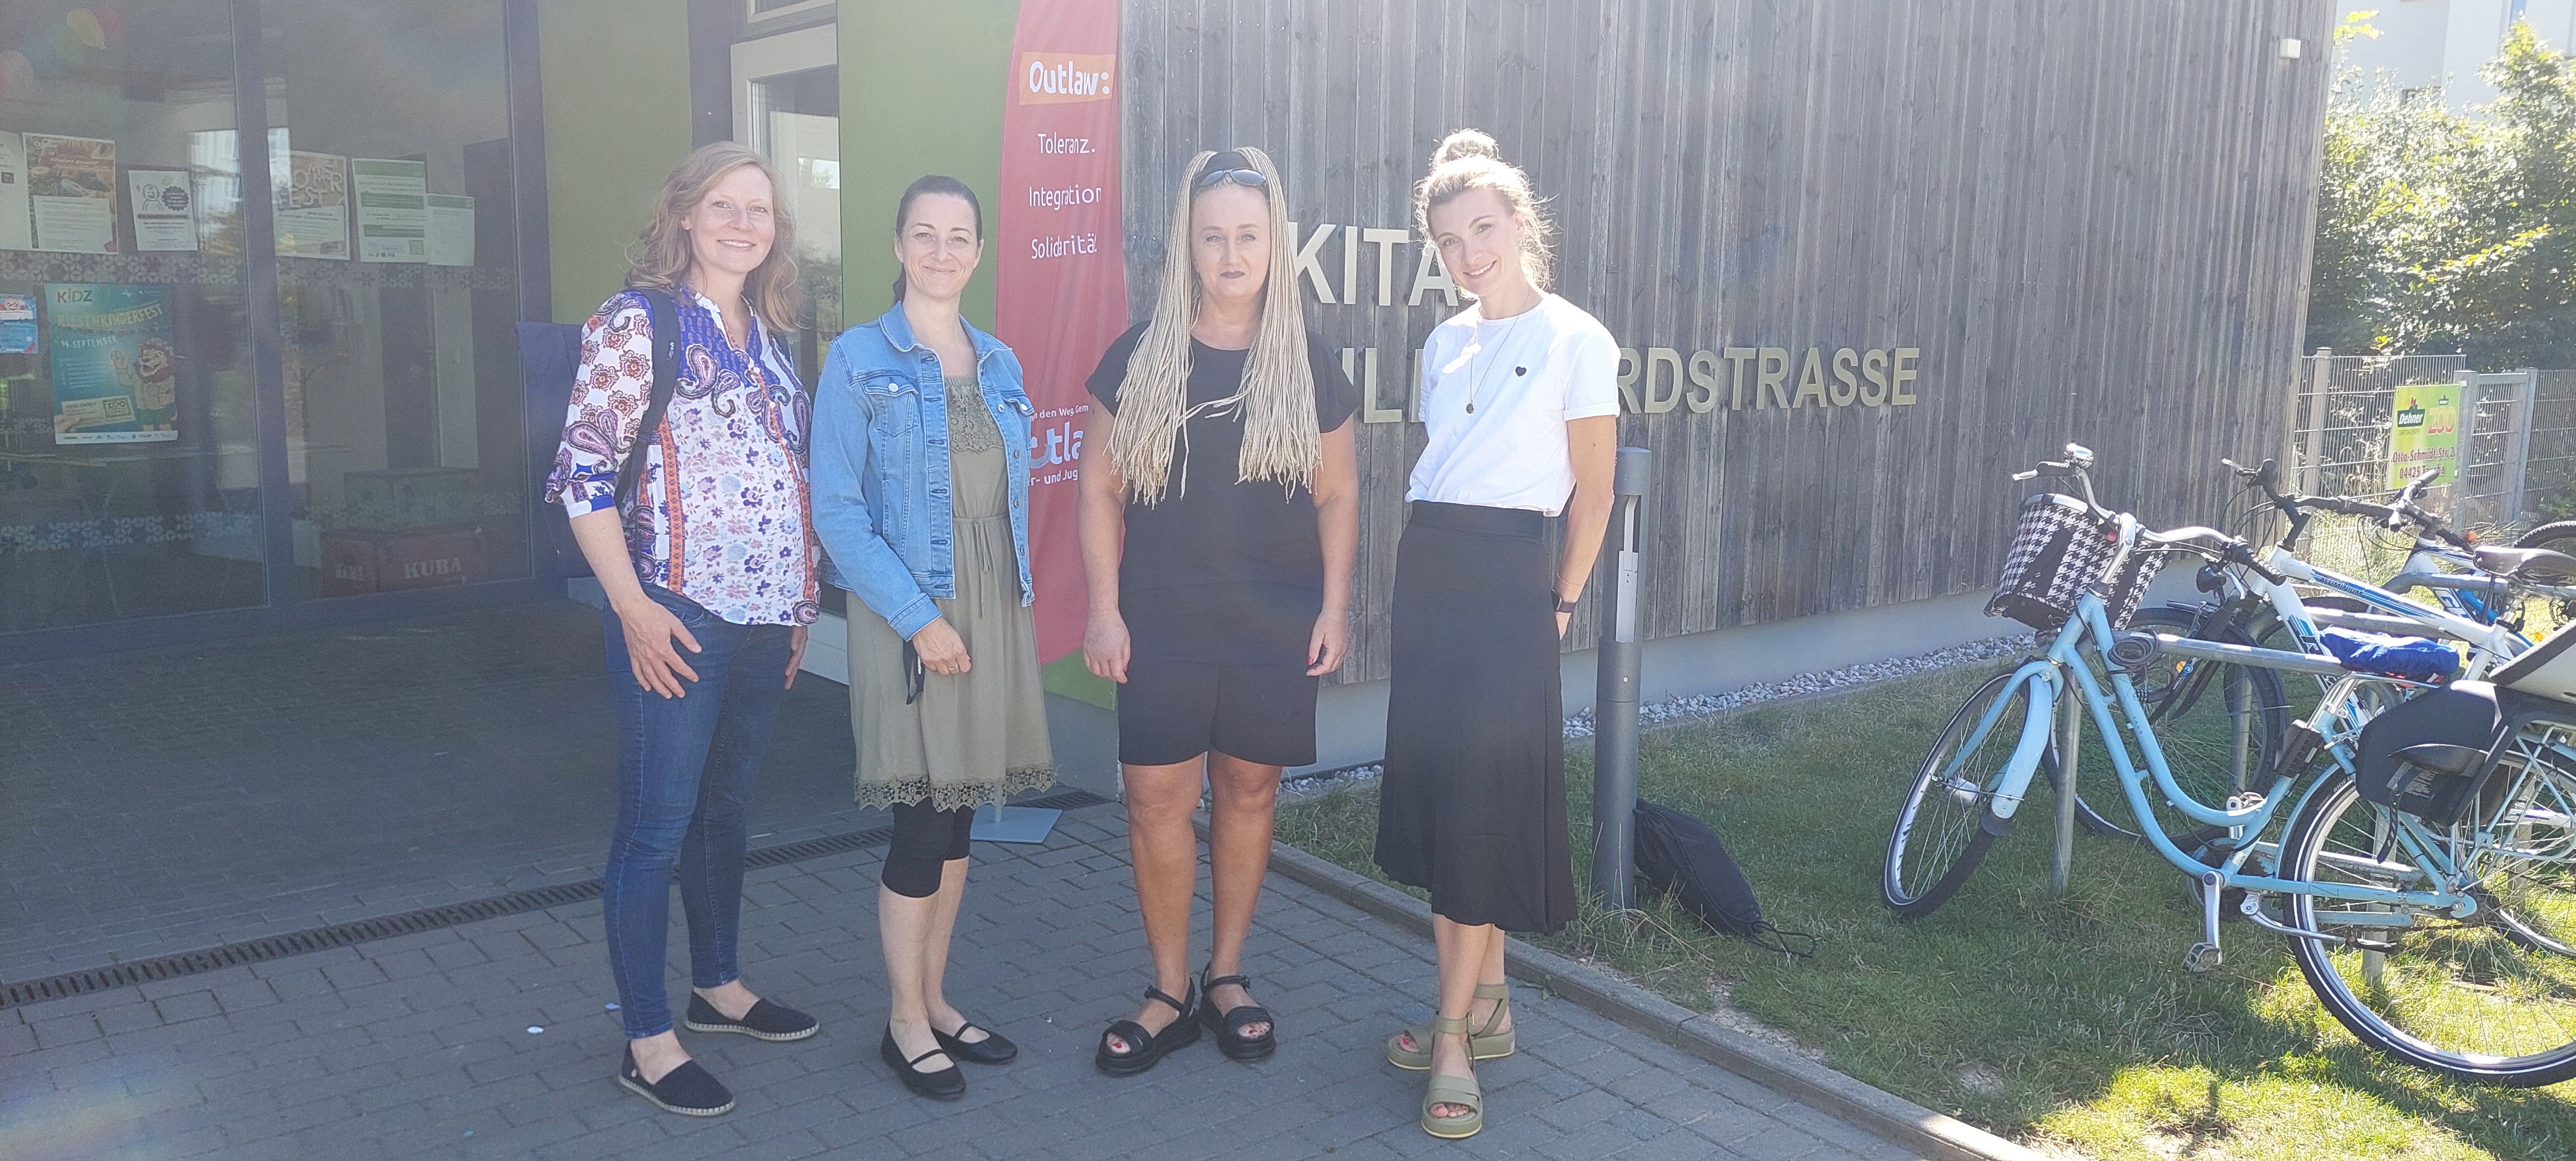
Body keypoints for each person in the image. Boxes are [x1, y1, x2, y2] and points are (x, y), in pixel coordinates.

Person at [544, 142, 822, 1119]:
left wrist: (800, 608)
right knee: (656, 828)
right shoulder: (640, 323)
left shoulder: (771, 335)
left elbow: (790, 476)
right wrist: (632, 608)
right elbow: (580, 477)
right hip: (678, 613)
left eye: (761, 208)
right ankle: (648, 1038)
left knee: (725, 814)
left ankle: (719, 988)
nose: (745, 223)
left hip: (761, 621)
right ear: (685, 217)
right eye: (724, 205)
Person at [1078, 147, 1361, 1076]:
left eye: (1248, 236)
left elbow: (1337, 495)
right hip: (1158, 615)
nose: (1231, 254)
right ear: (1187, 247)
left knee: (1249, 791)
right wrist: (1105, 610)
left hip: (1273, 620)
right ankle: (1168, 990)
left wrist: (1333, 605)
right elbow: (1100, 494)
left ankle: (1227, 974)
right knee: (1155, 800)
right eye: (1214, 238)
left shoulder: (1309, 363)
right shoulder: (1139, 357)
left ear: (1274, 243)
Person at [1373, 129, 1618, 1139]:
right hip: (1430, 573)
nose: (1470, 253)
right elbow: (1445, 466)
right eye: (1449, 240)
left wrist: (1555, 603)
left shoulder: (1577, 339)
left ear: (1519, 223)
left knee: (1479, 806)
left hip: (1511, 583)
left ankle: (1450, 1035)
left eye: (1483, 229)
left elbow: (1594, 496)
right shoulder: (1442, 341)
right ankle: (1492, 1003)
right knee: (1446, 798)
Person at [810, 175, 1055, 1102]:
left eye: (959, 236)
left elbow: (1004, 505)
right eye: (925, 233)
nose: (942, 251)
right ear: (899, 244)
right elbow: (836, 510)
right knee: (922, 821)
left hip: (992, 608)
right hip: (914, 611)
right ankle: (903, 1022)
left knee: (957, 822)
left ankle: (938, 1000)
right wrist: (921, 620)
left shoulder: (999, 362)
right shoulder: (856, 358)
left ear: (980, 251)